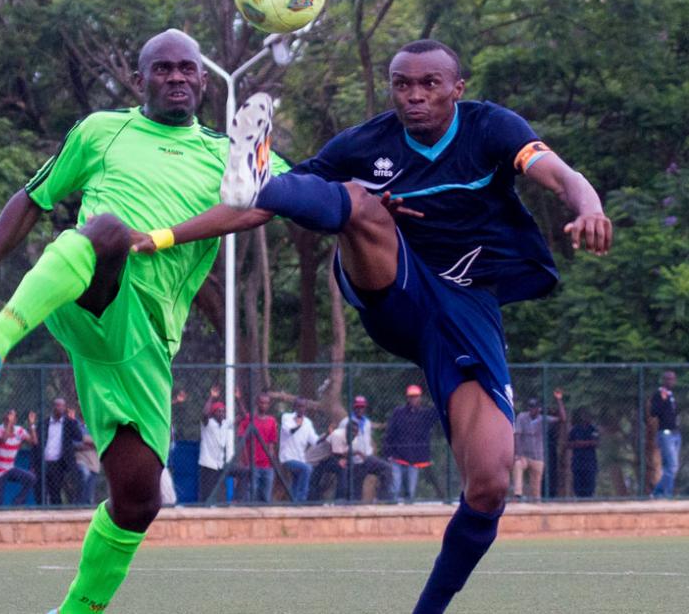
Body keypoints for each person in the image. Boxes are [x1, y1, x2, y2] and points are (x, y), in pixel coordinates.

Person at [141, 38, 613, 613]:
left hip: (466, 310)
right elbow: (255, 208)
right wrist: (164, 236)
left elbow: (562, 175)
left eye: (429, 85)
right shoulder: (366, 144)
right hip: (394, 287)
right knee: (360, 202)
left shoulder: (491, 128)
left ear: (457, 89)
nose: (413, 96)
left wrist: (587, 207)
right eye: (401, 84)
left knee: (489, 483)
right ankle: (266, 172)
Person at [0, 28, 287, 613]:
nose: (176, 77)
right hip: (91, 291)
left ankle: (74, 610)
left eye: (187, 69)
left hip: (145, 342)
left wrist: (369, 195)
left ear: (202, 78)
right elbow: (29, 200)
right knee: (107, 230)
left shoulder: (228, 156)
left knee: (139, 501)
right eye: (162, 68)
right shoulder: (101, 129)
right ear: (138, 77)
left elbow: (273, 202)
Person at [384, 384, 441, 502]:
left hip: (414, 458)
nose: (414, 399)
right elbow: (390, 433)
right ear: (407, 398)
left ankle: (408, 513)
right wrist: (388, 452)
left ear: (420, 398)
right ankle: (392, 509)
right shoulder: (399, 413)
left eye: (416, 396)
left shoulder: (424, 414)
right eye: (411, 397)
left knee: (411, 490)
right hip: (397, 455)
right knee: (395, 486)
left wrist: (439, 395)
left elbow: (437, 412)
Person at [512, 390, 566, 500]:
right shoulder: (522, 417)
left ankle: (536, 503)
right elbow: (517, 435)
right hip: (524, 456)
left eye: (534, 407)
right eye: (530, 407)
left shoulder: (542, 418)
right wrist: (518, 454)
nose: (531, 409)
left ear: (539, 409)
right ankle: (518, 494)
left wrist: (559, 400)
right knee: (517, 464)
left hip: (537, 456)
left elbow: (563, 419)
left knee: (536, 490)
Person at [337, 396, 392, 501]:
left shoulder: (367, 422)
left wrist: (368, 453)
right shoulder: (345, 422)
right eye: (357, 407)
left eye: (362, 407)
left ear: (365, 408)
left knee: (386, 468)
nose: (360, 409)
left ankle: (382, 499)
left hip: (367, 458)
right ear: (353, 407)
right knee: (356, 495)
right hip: (354, 461)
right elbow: (339, 442)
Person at [36, 399, 82, 505]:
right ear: (53, 407)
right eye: (57, 405)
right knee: (41, 489)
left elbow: (79, 437)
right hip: (45, 460)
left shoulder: (68, 423)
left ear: (65, 408)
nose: (59, 408)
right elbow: (37, 443)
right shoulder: (45, 423)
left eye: (62, 406)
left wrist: (73, 420)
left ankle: (58, 511)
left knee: (56, 490)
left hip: (59, 462)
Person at [0, 409, 38, 506]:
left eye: (11, 417)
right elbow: (4, 440)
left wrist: (31, 425)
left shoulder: (19, 431)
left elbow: (34, 442)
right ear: (4, 418)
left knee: (31, 478)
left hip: (9, 469)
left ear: (16, 420)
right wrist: (8, 424)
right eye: (7, 416)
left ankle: (17, 502)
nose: (8, 418)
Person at [236, 392, 278, 503]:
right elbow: (242, 439)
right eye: (262, 403)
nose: (264, 405)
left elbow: (271, 443)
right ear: (257, 403)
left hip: (267, 466)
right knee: (250, 497)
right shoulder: (249, 418)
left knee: (266, 497)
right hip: (252, 464)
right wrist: (245, 461)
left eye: (266, 403)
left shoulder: (271, 421)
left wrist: (271, 460)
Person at [278, 397, 319, 502]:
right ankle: (301, 500)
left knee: (297, 482)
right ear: (294, 407)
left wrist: (328, 434)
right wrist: (298, 424)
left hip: (300, 458)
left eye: (303, 406)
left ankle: (293, 502)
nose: (301, 409)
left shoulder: (308, 422)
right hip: (287, 458)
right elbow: (289, 431)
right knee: (307, 469)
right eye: (299, 406)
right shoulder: (287, 417)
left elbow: (315, 441)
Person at [651, 371, 681, 498]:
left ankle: (661, 493)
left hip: (675, 434)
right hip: (666, 434)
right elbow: (653, 413)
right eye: (668, 379)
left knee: (670, 467)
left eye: (673, 379)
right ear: (663, 380)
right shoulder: (658, 394)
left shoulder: (671, 395)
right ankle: (661, 493)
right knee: (672, 466)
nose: (671, 381)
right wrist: (663, 400)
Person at [198, 387, 229, 503]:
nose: (221, 413)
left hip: (220, 463)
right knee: (207, 492)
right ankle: (205, 509)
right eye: (218, 411)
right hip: (208, 462)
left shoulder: (225, 424)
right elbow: (204, 413)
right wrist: (212, 396)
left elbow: (243, 417)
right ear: (213, 413)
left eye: (223, 411)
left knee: (221, 490)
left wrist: (238, 399)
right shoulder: (208, 423)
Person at [568, 408, 599, 498]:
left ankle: (589, 502)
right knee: (577, 486)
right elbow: (568, 444)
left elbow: (596, 443)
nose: (586, 418)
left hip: (590, 462)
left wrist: (581, 443)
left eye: (588, 416)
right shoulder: (575, 429)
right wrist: (584, 443)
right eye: (584, 416)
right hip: (577, 462)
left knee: (590, 485)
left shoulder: (593, 429)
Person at [74, 415, 100, 506]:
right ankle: (78, 503)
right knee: (84, 473)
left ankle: (87, 505)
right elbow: (73, 442)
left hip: (93, 460)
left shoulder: (94, 423)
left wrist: (83, 439)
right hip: (79, 458)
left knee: (90, 487)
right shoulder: (75, 423)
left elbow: (99, 441)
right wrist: (89, 443)